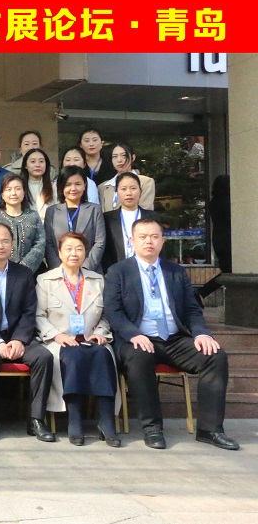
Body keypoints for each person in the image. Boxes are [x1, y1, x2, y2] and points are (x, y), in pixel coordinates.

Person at [105, 218, 238, 450]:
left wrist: (201, 334)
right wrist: (133, 334)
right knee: (140, 357)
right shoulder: (119, 271)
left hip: (174, 339)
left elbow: (192, 309)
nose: (149, 241)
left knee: (215, 356)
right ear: (132, 241)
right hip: (137, 339)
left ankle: (210, 429)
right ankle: (152, 428)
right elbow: (113, 311)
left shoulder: (175, 272)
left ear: (163, 241)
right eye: (143, 237)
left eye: (154, 236)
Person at [0, 223, 55, 443]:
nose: (0, 246)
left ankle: (36, 419)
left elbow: (29, 312)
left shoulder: (23, 274)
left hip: (17, 336)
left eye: (5, 241)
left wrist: (19, 340)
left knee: (44, 357)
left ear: (12, 244)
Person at [36, 232, 120, 447]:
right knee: (72, 357)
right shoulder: (45, 280)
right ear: (59, 253)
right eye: (69, 249)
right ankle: (74, 420)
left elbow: (107, 315)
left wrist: (100, 332)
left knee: (102, 355)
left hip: (92, 339)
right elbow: (38, 316)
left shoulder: (98, 280)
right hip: (60, 341)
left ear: (86, 253)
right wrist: (57, 335)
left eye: (79, 249)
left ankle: (106, 421)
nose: (74, 253)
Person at [44, 166, 106, 273]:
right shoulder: (51, 211)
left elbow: (99, 242)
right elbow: (48, 243)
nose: (73, 188)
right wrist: (60, 270)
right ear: (61, 187)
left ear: (84, 186)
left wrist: (85, 269)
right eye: (68, 184)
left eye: (78, 184)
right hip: (59, 273)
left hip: (90, 271)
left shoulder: (95, 210)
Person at [0, 173, 46, 274]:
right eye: (8, 189)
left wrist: (25, 267)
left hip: (30, 272)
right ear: (2, 194)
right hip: (1, 271)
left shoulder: (33, 216)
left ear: (24, 192)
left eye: (18, 189)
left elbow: (40, 243)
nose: (13, 193)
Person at [103, 173, 159, 271]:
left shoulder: (152, 217)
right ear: (116, 191)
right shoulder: (107, 218)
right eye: (123, 189)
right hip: (117, 271)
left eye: (133, 188)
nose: (129, 193)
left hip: (147, 271)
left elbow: (158, 246)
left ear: (140, 191)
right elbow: (105, 250)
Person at [198, 175, 231, 300]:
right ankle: (201, 293)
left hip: (218, 239)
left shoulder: (214, 201)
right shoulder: (226, 201)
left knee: (227, 272)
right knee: (229, 273)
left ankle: (201, 293)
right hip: (228, 241)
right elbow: (230, 220)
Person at [98, 142, 156, 212]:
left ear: (133, 157)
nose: (119, 160)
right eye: (115, 156)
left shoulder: (145, 182)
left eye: (124, 155)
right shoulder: (103, 187)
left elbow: (146, 211)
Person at [20, 148, 57, 222]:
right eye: (33, 161)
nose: (37, 165)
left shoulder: (54, 186)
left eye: (41, 161)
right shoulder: (19, 187)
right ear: (25, 165)